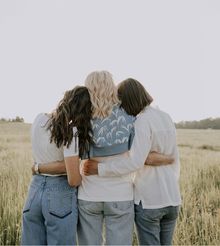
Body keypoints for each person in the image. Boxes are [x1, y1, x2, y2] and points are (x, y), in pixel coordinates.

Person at [36, 71, 173, 245]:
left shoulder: (81, 118)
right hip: (120, 195)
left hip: (88, 195)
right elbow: (139, 155)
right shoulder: (129, 116)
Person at [84, 78, 182, 246]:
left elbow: (135, 162)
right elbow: (172, 158)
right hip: (172, 197)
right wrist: (163, 159)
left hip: (149, 199)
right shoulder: (166, 117)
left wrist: (100, 169)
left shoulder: (141, 121)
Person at [21, 86, 93, 245]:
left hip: (34, 192)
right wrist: (82, 171)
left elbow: (43, 162)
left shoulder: (39, 119)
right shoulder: (70, 130)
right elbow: (73, 180)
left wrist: (39, 168)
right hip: (59, 195)